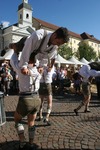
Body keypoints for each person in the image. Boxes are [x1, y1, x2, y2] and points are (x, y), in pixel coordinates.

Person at [10, 53, 43, 150]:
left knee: (17, 119)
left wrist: (15, 51)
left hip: (26, 99)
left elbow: (13, 60)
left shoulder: (21, 69)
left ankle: (22, 141)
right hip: (37, 99)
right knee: (31, 121)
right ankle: (31, 143)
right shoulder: (37, 71)